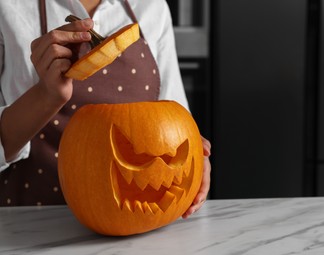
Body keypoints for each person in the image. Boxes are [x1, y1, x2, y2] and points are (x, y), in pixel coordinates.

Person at [0, 0, 211, 219]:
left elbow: (175, 119)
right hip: (31, 224)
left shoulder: (151, 5)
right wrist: (46, 95)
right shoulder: (8, 7)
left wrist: (193, 155)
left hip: (138, 228)